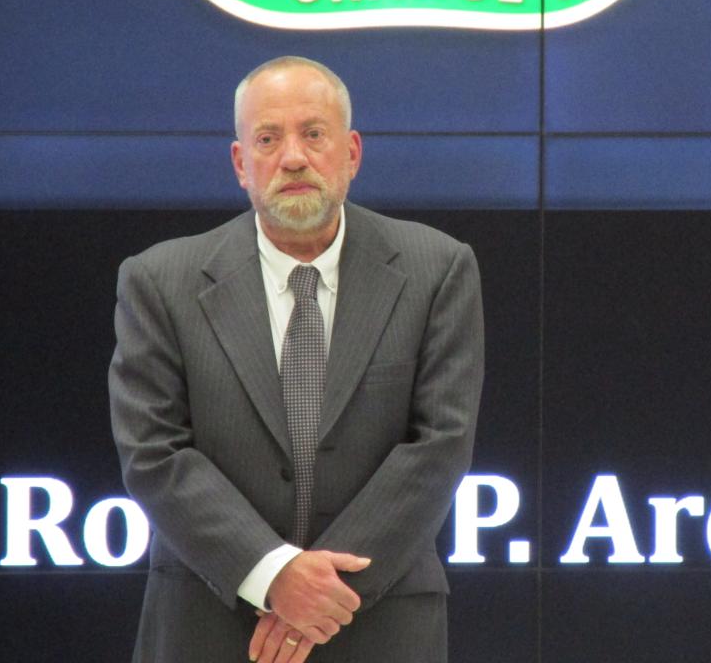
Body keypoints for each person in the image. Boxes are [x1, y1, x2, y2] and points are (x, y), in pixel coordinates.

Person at [108, 56, 484, 662]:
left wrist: (319, 598)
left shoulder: (437, 269)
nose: (292, 157)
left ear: (352, 152)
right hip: (209, 624)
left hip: (381, 622)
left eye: (314, 133)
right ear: (240, 164)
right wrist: (273, 574)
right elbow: (153, 451)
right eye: (267, 138)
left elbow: (440, 445)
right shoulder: (159, 281)